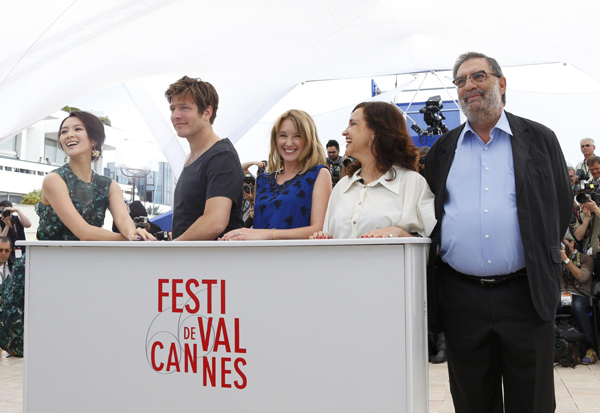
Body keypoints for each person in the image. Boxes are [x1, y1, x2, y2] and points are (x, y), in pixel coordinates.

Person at [425, 52, 572, 412]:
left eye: (478, 77)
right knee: (472, 401)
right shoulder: (443, 149)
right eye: (460, 81)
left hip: (526, 293)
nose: (468, 87)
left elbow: (560, 207)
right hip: (461, 298)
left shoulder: (539, 138)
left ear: (501, 83)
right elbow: (432, 215)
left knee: (532, 401)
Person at [0, 111, 154, 357]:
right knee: (42, 352)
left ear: (94, 139)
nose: (69, 135)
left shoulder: (109, 185)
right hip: (46, 274)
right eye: (64, 131)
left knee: (80, 349)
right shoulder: (54, 180)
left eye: (77, 129)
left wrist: (132, 232)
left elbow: (123, 221)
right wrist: (130, 239)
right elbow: (82, 231)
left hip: (84, 273)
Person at [311, 101, 435, 240]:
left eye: (353, 124)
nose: (344, 132)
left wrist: (399, 233)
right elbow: (330, 237)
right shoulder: (341, 187)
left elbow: (431, 246)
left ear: (375, 132)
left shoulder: (413, 183)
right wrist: (322, 239)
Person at [222, 110, 331, 240]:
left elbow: (318, 229)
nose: (289, 143)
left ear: (308, 139)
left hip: (299, 257)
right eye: (283, 135)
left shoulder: (319, 174)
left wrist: (268, 234)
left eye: (297, 136)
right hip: (260, 257)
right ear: (276, 139)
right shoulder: (262, 180)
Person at [166, 76, 244, 240]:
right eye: (173, 109)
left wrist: (172, 249)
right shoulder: (194, 157)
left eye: (185, 108)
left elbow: (214, 222)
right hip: (191, 260)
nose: (175, 115)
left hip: (212, 262)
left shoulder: (221, 156)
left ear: (207, 112)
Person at [557, 233, 597, 365]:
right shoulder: (557, 259)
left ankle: (590, 348)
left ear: (572, 243)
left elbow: (581, 277)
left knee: (578, 307)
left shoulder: (585, 259)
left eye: (563, 244)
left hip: (581, 296)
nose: (561, 247)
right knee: (547, 306)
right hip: (562, 296)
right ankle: (550, 346)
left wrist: (566, 260)